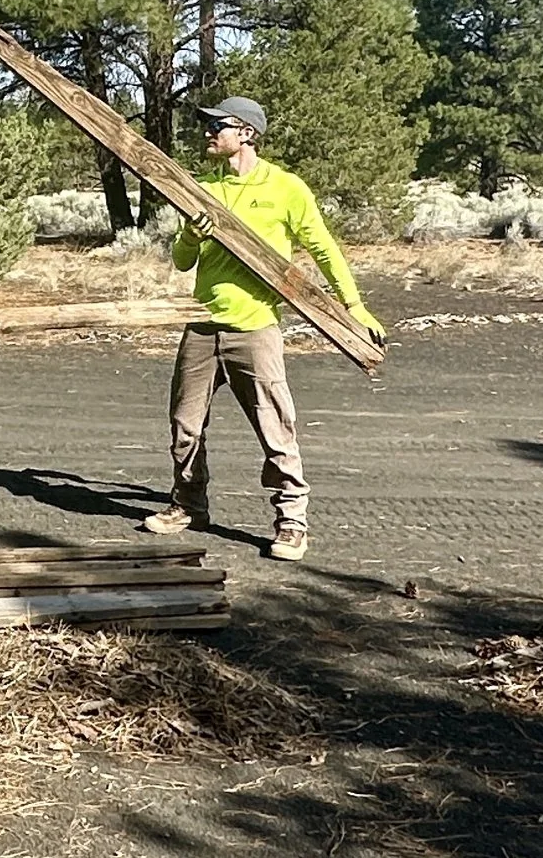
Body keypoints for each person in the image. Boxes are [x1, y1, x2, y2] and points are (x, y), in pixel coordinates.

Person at [143, 95, 388, 561]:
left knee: (275, 427)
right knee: (184, 426)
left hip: (255, 329)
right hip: (202, 326)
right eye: (207, 124)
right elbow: (181, 261)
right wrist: (191, 235)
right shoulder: (202, 188)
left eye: (217, 125)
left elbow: (324, 248)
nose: (207, 132)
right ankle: (189, 505)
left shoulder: (285, 187)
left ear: (247, 133)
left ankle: (292, 521)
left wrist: (354, 307)